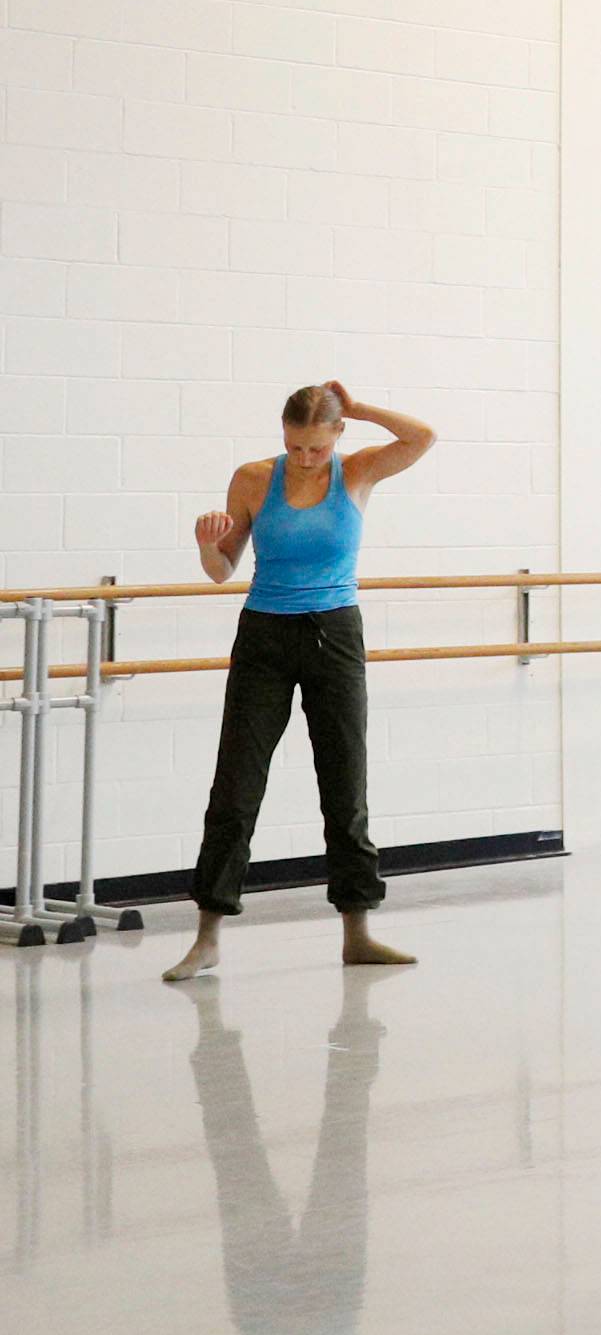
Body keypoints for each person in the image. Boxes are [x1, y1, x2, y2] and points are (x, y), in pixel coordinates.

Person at [163, 383, 437, 984]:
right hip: (264, 635)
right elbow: (220, 571)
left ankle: (357, 933)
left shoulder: (359, 470)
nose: (306, 457)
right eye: (295, 446)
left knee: (345, 783)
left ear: (338, 436)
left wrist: (360, 408)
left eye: (316, 447)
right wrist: (208, 546)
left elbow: (422, 437)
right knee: (235, 786)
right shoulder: (255, 478)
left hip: (335, 635)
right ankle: (207, 937)